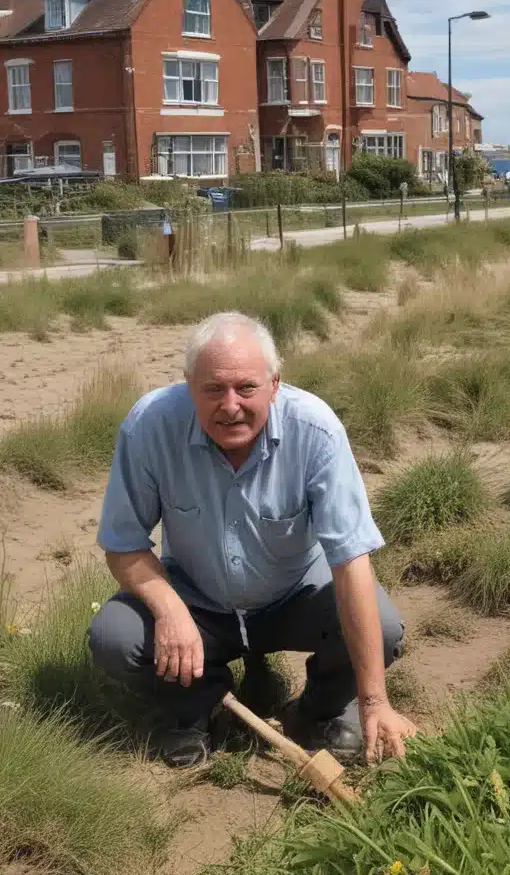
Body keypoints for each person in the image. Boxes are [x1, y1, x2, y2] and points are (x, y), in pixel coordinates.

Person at [88, 312, 416, 768]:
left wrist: (375, 702)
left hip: (295, 595)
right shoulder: (150, 426)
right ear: (188, 385)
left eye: (246, 388)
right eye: (212, 389)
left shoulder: (316, 431)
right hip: (199, 602)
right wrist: (169, 609)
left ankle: (321, 711)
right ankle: (197, 707)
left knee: (381, 626)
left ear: (275, 384)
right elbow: (122, 543)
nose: (230, 405)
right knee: (115, 637)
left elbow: (350, 561)